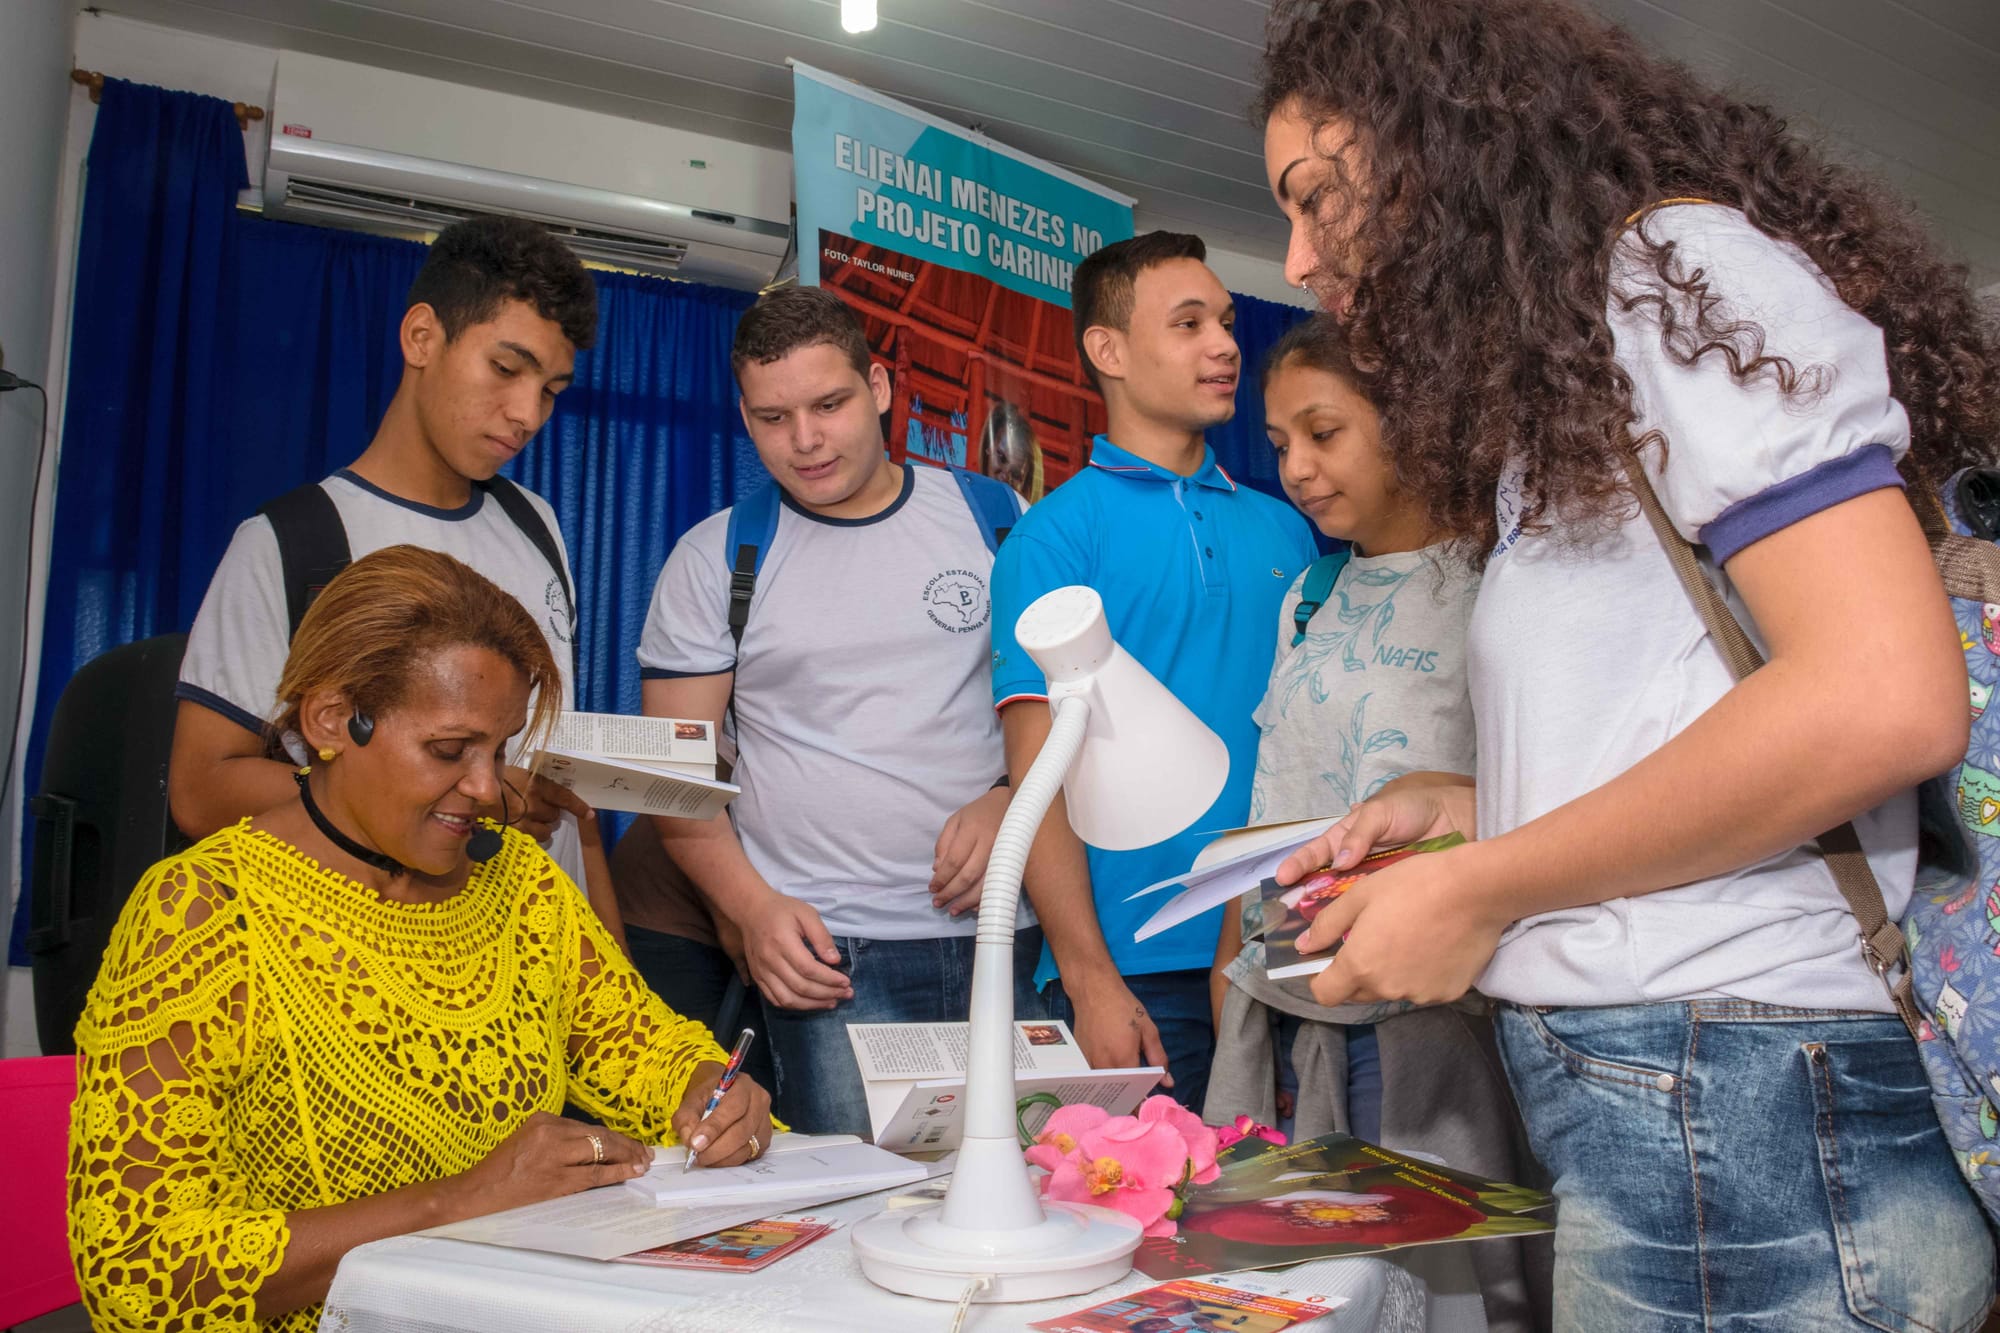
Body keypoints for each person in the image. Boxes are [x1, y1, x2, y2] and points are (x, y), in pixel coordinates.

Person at [1255, 0, 2000, 1327]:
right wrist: (1476, 813)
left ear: (1444, 147)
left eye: (1317, 198)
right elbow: (1693, 735)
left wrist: (1484, 888)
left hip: (1738, 1117)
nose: (1299, 250)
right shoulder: (1567, 393)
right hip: (1677, 1110)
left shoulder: (1672, 269)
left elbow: (1880, 698)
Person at [67, 546, 775, 1333]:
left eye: (500, 750)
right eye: (449, 750)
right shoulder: (204, 913)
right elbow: (141, 1270)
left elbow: (633, 1041)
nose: (486, 787)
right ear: (334, 721)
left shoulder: (518, 885)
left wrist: (706, 1084)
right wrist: (458, 1198)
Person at [1203, 319, 1541, 1331]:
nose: (1295, 470)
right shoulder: (1309, 594)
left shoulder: (1499, 584)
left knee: (1439, 1291)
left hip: (1432, 1019)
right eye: (1278, 442)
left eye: (1323, 433)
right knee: (1295, 1290)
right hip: (1285, 1002)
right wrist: (1234, 982)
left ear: (1416, 422)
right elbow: (1274, 799)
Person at [636, 286, 1036, 1135]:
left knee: (1033, 1193)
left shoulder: (996, 519)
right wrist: (751, 908)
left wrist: (1010, 796)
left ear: (881, 387)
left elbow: (1070, 710)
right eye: (773, 417)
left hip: (1007, 929)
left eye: (830, 404)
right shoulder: (716, 558)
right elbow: (674, 785)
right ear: (745, 419)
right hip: (830, 958)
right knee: (862, 1213)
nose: (806, 440)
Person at [167, 214, 623, 946]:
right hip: (377, 956)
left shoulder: (538, 525)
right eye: (506, 370)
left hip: (543, 954)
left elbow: (562, 805)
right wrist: (453, 796)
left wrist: (617, 978)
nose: (527, 413)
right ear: (421, 338)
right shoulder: (292, 542)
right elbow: (200, 787)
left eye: (552, 389)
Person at [990, 232, 1318, 1112]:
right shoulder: (1054, 537)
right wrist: (1091, 977)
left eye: (1226, 320)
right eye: (1188, 323)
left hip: (1285, 948)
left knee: (1293, 1227)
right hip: (1138, 968)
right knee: (1160, 1235)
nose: (1224, 344)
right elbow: (1038, 778)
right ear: (1108, 351)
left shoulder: (1289, 527)